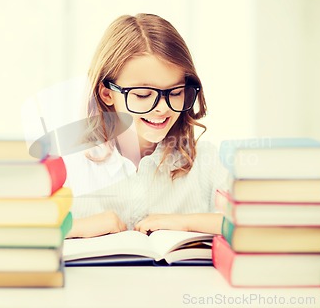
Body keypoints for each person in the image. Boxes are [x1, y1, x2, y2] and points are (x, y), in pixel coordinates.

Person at [64, 13, 229, 238]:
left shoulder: (205, 162)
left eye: (176, 92)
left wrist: (187, 223)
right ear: (107, 93)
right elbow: (21, 231)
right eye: (142, 95)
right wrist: (77, 228)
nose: (162, 108)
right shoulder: (70, 163)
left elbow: (250, 225)